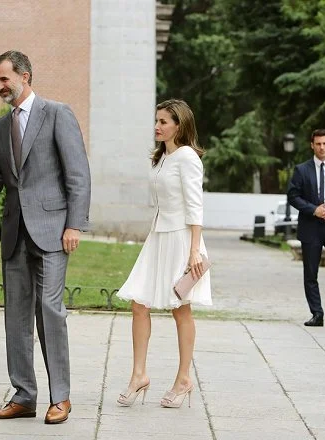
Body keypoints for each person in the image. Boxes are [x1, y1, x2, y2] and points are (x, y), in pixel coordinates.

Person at [0, 50, 91, 425]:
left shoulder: (57, 113)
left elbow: (78, 174)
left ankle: (60, 397)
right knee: (15, 317)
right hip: (14, 232)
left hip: (53, 231)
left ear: (25, 76)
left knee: (50, 312)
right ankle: (24, 396)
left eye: (4, 79)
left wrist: (75, 224)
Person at [116, 99, 212, 409]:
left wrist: (194, 251)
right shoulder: (161, 158)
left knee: (180, 309)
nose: (157, 126)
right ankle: (138, 375)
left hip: (182, 240)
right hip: (158, 237)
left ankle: (184, 378)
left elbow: (196, 206)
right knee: (138, 303)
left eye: (163, 121)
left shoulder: (187, 158)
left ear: (179, 125)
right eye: (156, 120)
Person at [287, 129, 325, 328]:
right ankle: (317, 314)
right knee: (311, 273)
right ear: (312, 145)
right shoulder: (301, 170)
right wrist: (314, 210)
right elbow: (293, 196)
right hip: (311, 227)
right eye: (318, 144)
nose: (321, 147)